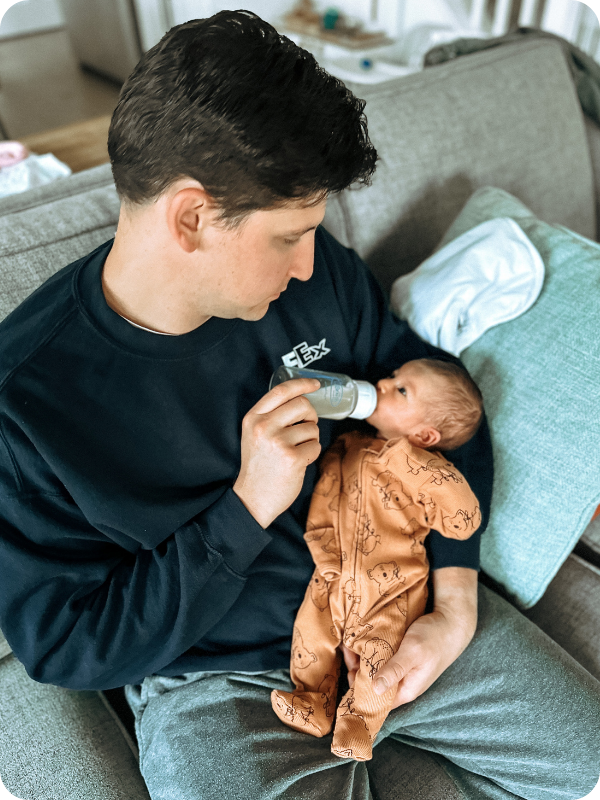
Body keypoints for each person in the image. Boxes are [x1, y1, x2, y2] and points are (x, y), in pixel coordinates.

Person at [0, 11, 598, 800]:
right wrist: (245, 509)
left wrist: (451, 604)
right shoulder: (28, 402)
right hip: (220, 680)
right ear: (191, 217)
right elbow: (69, 648)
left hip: (396, 598)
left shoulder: (317, 282)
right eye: (291, 235)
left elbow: (443, 404)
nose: (314, 260)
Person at [272, 359, 483, 761]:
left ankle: (360, 723)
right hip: (330, 574)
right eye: (392, 378)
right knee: (311, 639)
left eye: (402, 390)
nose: (384, 383)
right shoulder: (348, 445)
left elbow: (463, 521)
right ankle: (312, 702)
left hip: (392, 590)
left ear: (425, 433)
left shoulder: (426, 471)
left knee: (380, 660)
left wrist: (409, 455)